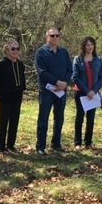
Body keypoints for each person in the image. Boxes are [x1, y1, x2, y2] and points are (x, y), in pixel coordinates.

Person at [35, 27, 72, 155]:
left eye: (57, 35)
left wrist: (65, 83)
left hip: (61, 91)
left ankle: (56, 143)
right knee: (43, 118)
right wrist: (57, 82)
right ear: (47, 37)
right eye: (52, 36)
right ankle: (40, 146)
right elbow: (42, 72)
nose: (55, 38)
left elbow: (69, 70)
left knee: (59, 118)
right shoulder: (41, 52)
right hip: (47, 91)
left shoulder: (64, 52)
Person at [0, 40, 26, 153]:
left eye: (17, 48)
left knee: (15, 120)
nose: (15, 51)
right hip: (5, 96)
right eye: (12, 49)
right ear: (7, 51)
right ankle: (0, 146)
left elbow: (22, 81)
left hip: (17, 96)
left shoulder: (20, 64)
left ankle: (11, 145)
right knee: (4, 120)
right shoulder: (1, 64)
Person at [71, 36, 102, 150]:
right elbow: (75, 77)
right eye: (87, 45)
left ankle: (88, 142)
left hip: (93, 94)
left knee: (91, 118)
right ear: (83, 46)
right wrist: (86, 91)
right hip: (81, 92)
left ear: (94, 46)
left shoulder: (98, 60)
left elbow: (101, 77)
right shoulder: (78, 59)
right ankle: (77, 143)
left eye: (91, 44)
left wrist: (94, 91)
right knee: (80, 117)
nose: (89, 47)